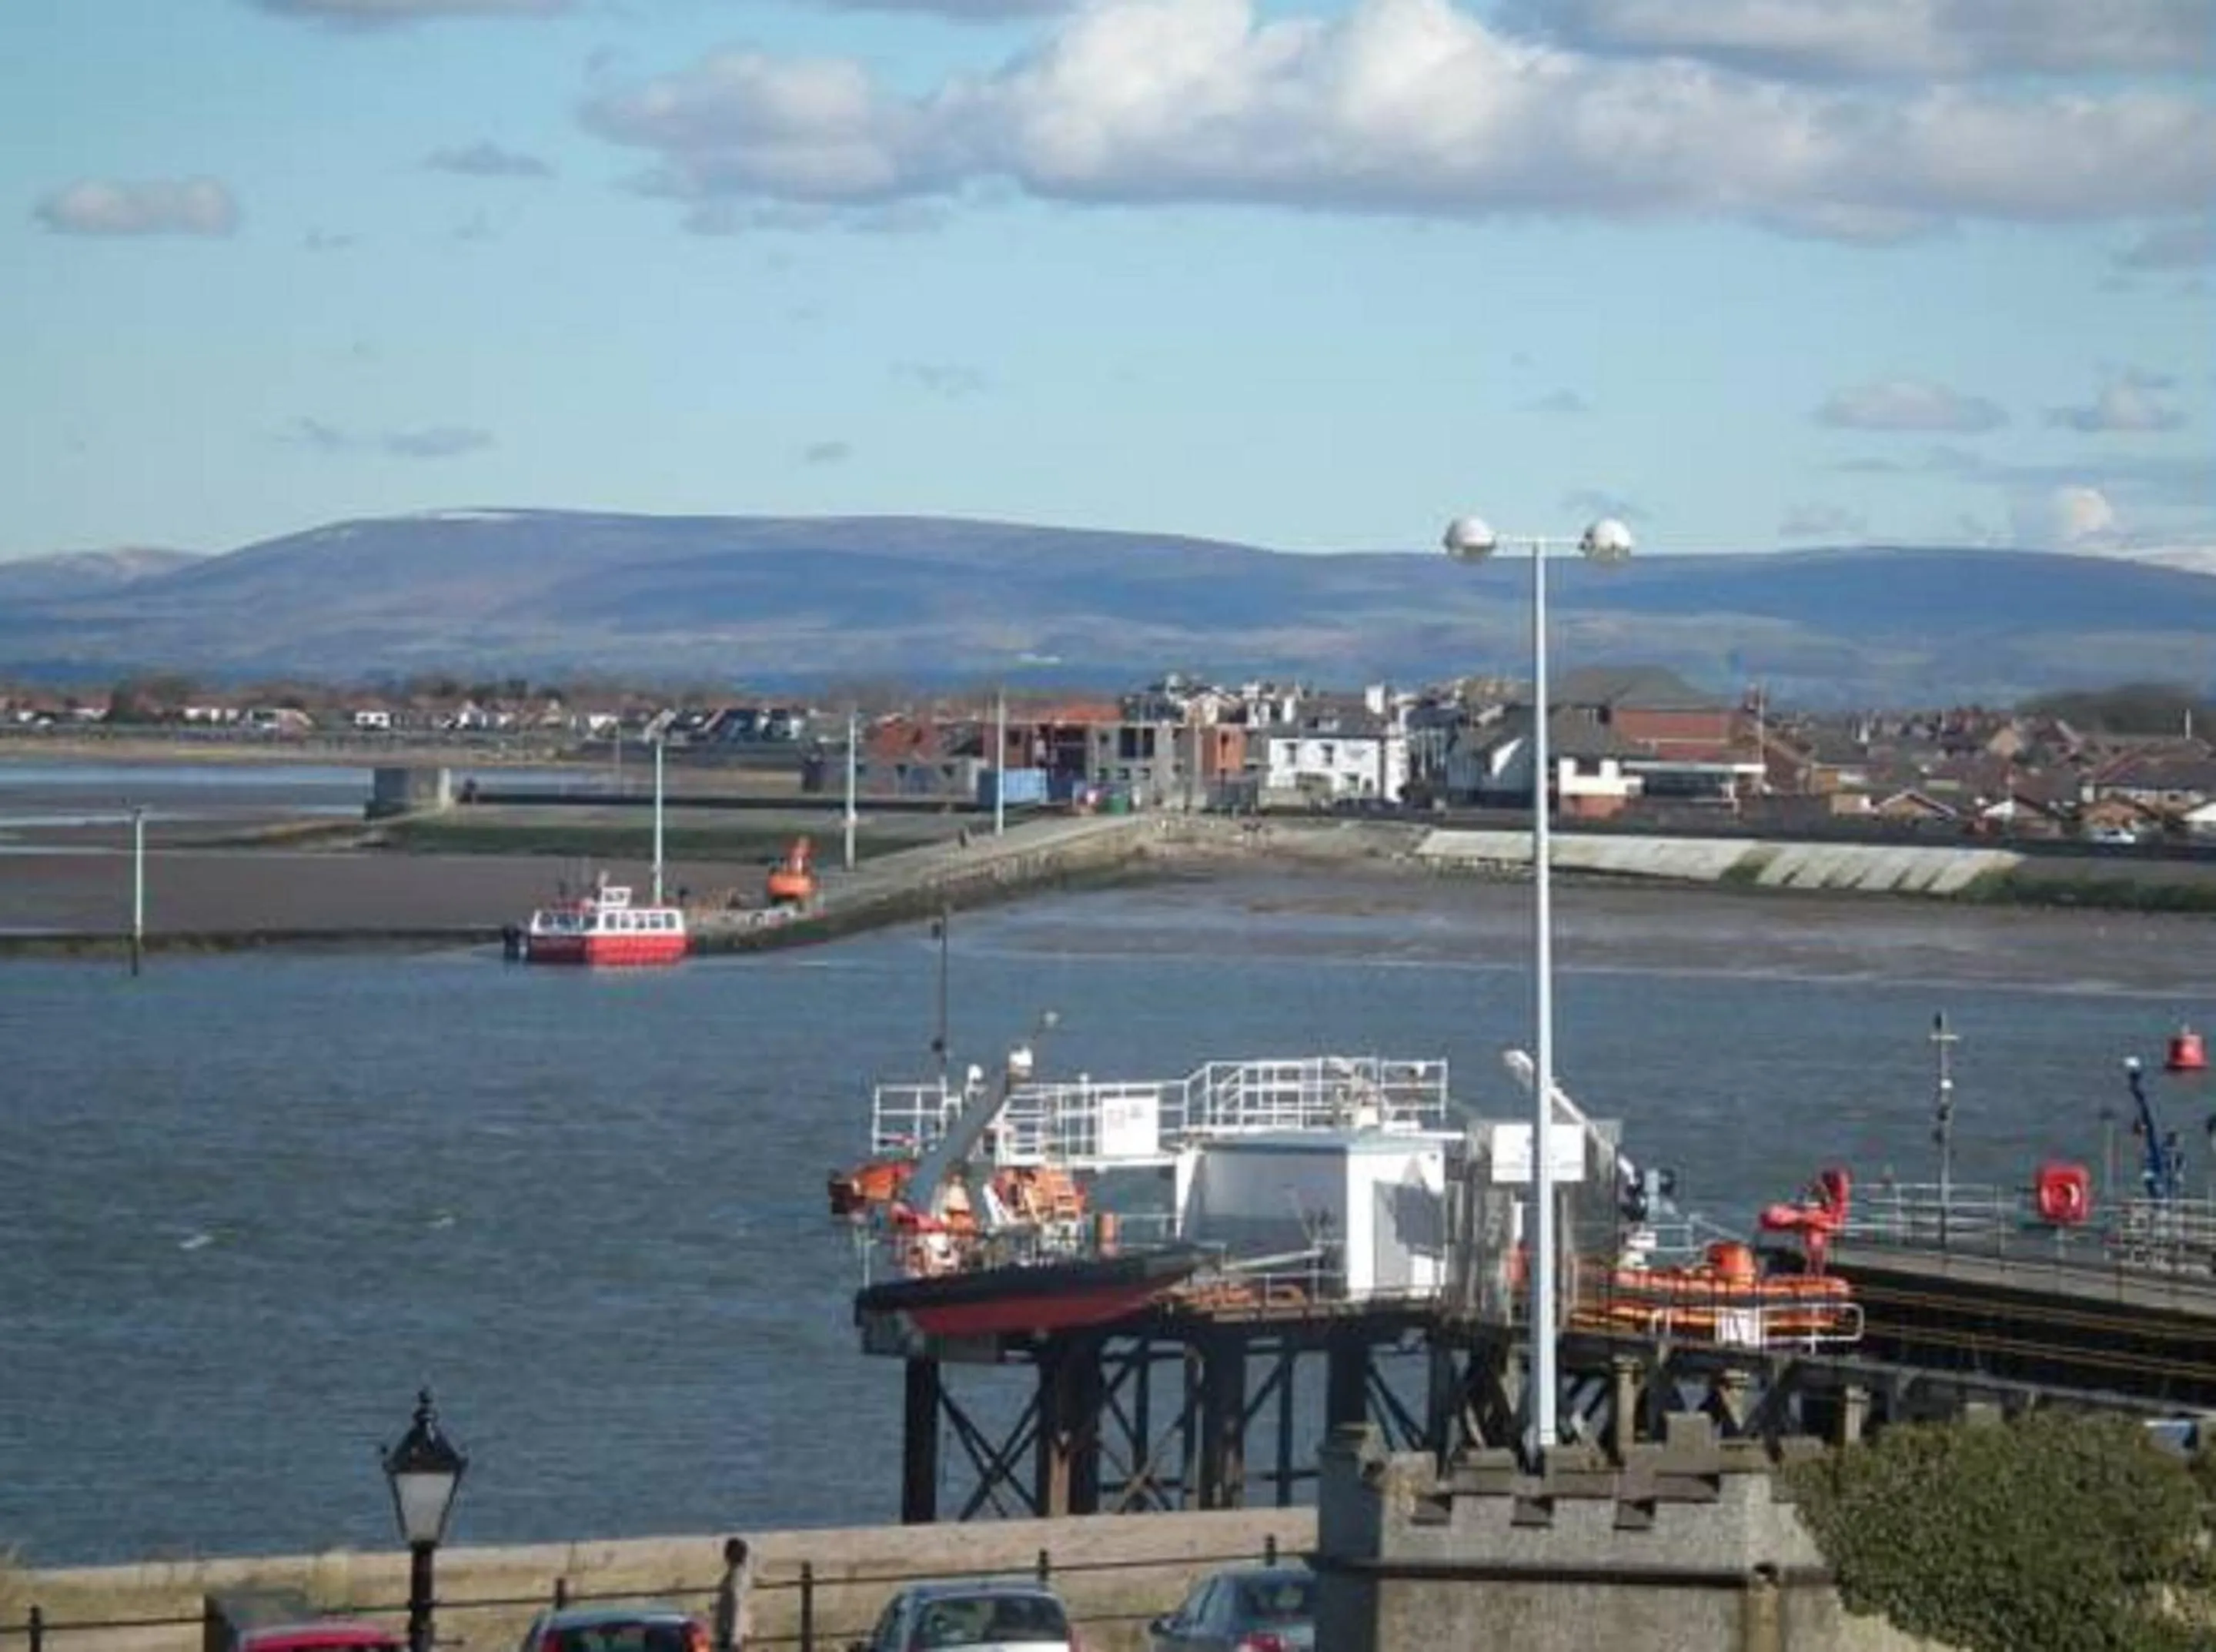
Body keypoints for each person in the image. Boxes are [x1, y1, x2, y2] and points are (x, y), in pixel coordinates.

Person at [713, 1536, 754, 1652]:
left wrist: (733, 1635)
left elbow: (736, 1603)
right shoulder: (740, 1574)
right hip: (733, 1629)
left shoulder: (737, 1577)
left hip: (731, 1631)